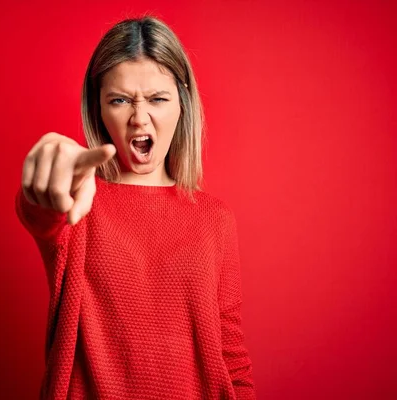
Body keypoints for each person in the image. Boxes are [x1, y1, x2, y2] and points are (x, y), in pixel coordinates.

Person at [15, 16, 256, 400]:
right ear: (99, 109)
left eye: (157, 99)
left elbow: (231, 353)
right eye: (120, 100)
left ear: (183, 104)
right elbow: (42, 213)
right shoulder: (81, 200)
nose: (139, 118)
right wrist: (42, 189)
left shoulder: (215, 218)